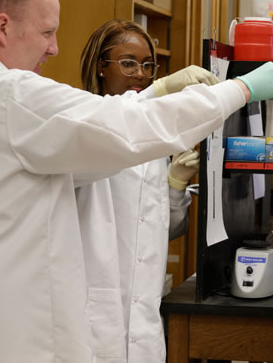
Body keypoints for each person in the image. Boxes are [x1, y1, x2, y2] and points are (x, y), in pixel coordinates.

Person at [0, 0, 273, 363]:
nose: (53, 48)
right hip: (0, 338)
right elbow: (129, 126)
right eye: (47, 32)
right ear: (3, 27)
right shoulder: (7, 94)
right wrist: (240, 88)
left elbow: (95, 144)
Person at [75, 20, 202, 362]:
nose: (140, 75)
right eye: (128, 63)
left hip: (145, 318)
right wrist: (161, 90)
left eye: (148, 66)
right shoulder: (80, 124)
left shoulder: (155, 136)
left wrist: (175, 186)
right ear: (101, 67)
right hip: (93, 313)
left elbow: (166, 230)